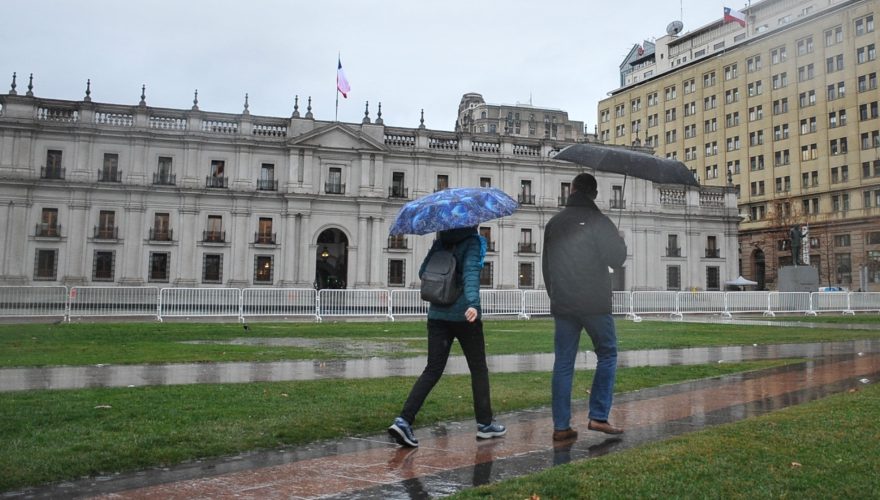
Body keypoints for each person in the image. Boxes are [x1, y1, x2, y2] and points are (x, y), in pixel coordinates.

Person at [388, 226, 506, 447]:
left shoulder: (440, 242)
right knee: (478, 369)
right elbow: (471, 274)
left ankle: (404, 420)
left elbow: (423, 272)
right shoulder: (473, 242)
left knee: (432, 369)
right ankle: (485, 424)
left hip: (437, 315)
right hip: (464, 316)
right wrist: (473, 304)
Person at [542, 173, 627, 441]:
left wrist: (554, 296)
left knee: (563, 362)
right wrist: (618, 241)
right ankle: (598, 416)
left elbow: (546, 266)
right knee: (608, 354)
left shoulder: (554, 223)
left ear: (573, 190)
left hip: (564, 302)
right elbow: (617, 259)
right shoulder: (600, 221)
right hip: (595, 302)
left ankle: (561, 426)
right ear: (595, 194)